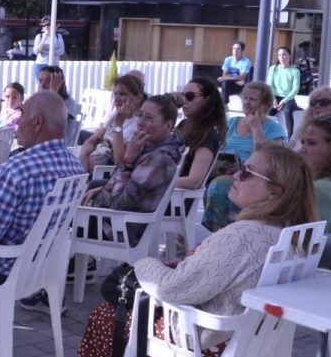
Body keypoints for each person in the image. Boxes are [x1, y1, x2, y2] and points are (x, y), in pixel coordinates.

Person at [105, 146, 317, 357]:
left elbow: (171, 289)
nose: (234, 175)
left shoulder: (244, 234)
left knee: (114, 301)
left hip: (208, 338)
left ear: (275, 192)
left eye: (247, 172)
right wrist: (185, 264)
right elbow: (224, 276)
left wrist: (144, 264)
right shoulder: (292, 235)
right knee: (137, 294)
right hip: (252, 342)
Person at [0, 92, 85, 314]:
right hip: (44, 267)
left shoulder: (16, 170)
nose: (16, 123)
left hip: (4, 268)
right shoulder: (76, 168)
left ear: (37, 122)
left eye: (21, 116)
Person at [79, 94, 185, 248]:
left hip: (117, 228)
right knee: (84, 193)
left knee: (56, 218)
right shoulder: (155, 147)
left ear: (168, 126)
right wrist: (103, 188)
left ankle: (67, 264)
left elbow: (118, 205)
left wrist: (128, 160)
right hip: (115, 220)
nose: (140, 123)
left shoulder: (159, 160)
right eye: (139, 115)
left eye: (148, 118)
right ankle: (78, 263)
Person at [201, 81, 287, 231]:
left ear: (265, 104)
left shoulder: (274, 128)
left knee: (218, 187)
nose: (247, 102)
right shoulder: (233, 122)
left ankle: (222, 235)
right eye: (245, 98)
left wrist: (256, 128)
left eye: (253, 99)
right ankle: (204, 236)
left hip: (251, 176)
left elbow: (268, 159)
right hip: (222, 170)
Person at [79, 74, 145, 170]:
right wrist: (83, 155)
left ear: (138, 98)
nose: (117, 99)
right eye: (115, 94)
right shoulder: (114, 113)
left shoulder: (139, 125)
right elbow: (94, 139)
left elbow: (120, 163)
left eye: (122, 94)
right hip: (88, 169)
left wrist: (119, 124)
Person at [175, 78, 227, 191]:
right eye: (182, 96)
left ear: (206, 100)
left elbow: (194, 181)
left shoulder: (208, 135)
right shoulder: (183, 125)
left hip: (177, 199)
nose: (184, 101)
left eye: (190, 96)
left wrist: (158, 182)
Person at [38, 65, 80, 145]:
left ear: (59, 83)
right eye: (40, 80)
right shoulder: (39, 101)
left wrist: (53, 92)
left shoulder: (69, 103)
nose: (42, 85)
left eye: (48, 81)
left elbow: (51, 122)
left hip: (57, 148)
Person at [268, 47, 301, 137]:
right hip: (275, 96)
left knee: (287, 111)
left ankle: (290, 137)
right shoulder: (273, 69)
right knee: (266, 111)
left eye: (284, 55)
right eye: (279, 55)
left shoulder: (295, 71)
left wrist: (284, 101)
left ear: (289, 56)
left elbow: (295, 89)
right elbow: (270, 85)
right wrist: (273, 99)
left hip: (288, 98)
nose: (282, 57)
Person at [33, 16, 65, 80]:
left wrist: (46, 51)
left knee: (53, 86)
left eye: (48, 24)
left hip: (54, 65)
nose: (46, 27)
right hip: (41, 64)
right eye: (44, 25)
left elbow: (61, 51)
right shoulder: (39, 36)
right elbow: (36, 51)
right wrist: (43, 39)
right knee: (41, 86)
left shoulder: (58, 36)